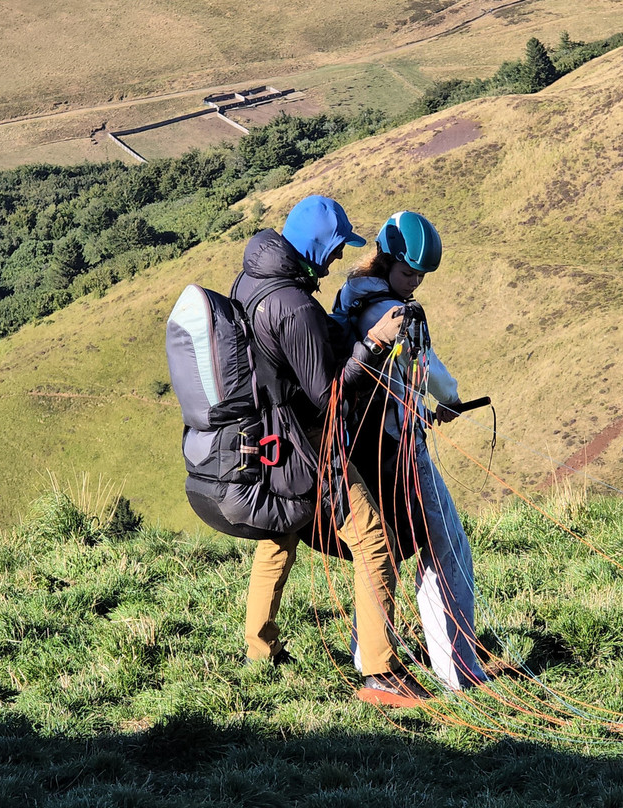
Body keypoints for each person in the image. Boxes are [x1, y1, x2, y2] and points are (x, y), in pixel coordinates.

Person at [230, 195, 430, 706]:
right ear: (317, 245)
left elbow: (294, 357)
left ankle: (260, 651)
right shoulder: (293, 305)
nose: (340, 256)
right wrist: (375, 343)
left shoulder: (252, 281)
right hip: (308, 443)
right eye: (337, 246)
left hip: (269, 437)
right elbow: (330, 396)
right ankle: (381, 674)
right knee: (374, 543)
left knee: (278, 537)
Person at [333, 210, 488, 690]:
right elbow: (425, 369)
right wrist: (451, 399)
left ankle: (370, 653)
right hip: (400, 448)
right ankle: (459, 670)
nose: (414, 283)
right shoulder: (390, 311)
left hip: (364, 446)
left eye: (420, 276)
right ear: (385, 259)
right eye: (408, 272)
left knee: (394, 546)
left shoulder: (350, 296)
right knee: (445, 550)